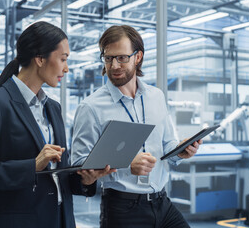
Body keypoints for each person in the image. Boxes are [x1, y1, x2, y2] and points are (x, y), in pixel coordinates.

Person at [0, 21, 115, 228]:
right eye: (63, 59)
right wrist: (31, 166)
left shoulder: (53, 107)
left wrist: (86, 179)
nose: (66, 68)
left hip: (60, 220)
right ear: (40, 58)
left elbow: (58, 175)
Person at [71, 25, 202, 228]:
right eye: (108, 58)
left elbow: (167, 146)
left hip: (162, 203)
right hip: (123, 209)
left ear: (138, 57)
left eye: (122, 58)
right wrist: (125, 164)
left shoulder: (156, 96)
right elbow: (79, 163)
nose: (114, 65)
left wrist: (181, 151)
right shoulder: (91, 107)